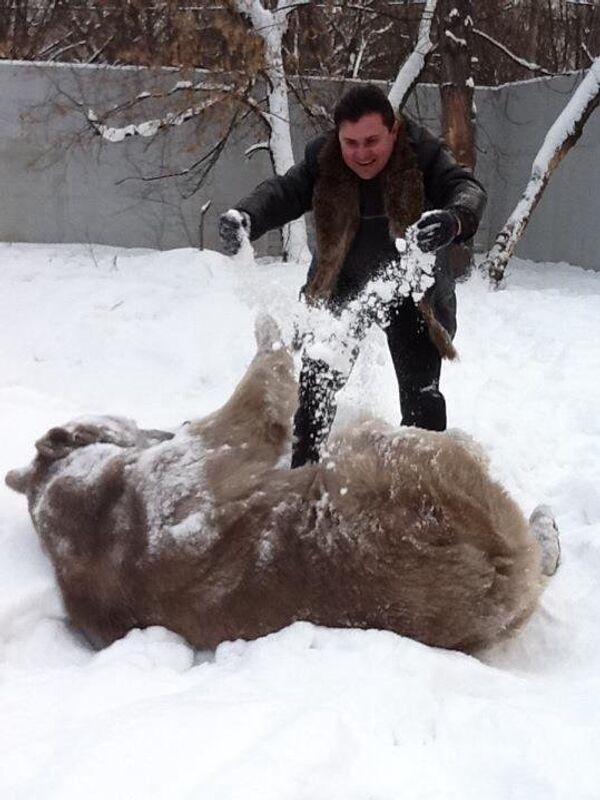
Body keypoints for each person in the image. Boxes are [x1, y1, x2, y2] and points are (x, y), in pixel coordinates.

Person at [218, 84, 487, 468]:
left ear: (393, 131)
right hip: (341, 283)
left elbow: (466, 188)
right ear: (337, 137)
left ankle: (422, 485)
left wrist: (454, 220)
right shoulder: (322, 158)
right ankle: (305, 476)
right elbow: (284, 191)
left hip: (410, 289)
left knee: (422, 399)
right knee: (315, 387)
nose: (361, 153)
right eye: (351, 142)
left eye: (372, 140)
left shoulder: (422, 152)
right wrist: (246, 216)